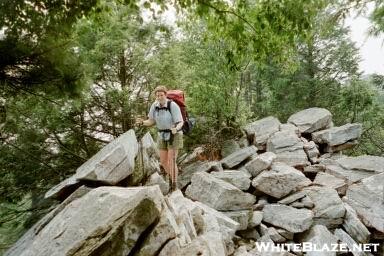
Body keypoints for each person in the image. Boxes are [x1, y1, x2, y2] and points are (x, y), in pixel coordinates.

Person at [136, 85, 184, 191]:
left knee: (171, 160)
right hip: (161, 135)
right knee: (163, 161)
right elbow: (151, 121)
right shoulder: (155, 105)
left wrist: (176, 128)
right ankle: (173, 178)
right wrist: (142, 123)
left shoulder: (173, 105)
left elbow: (181, 121)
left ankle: (174, 184)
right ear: (155, 96)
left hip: (174, 135)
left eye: (161, 95)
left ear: (165, 95)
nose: (159, 97)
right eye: (157, 95)